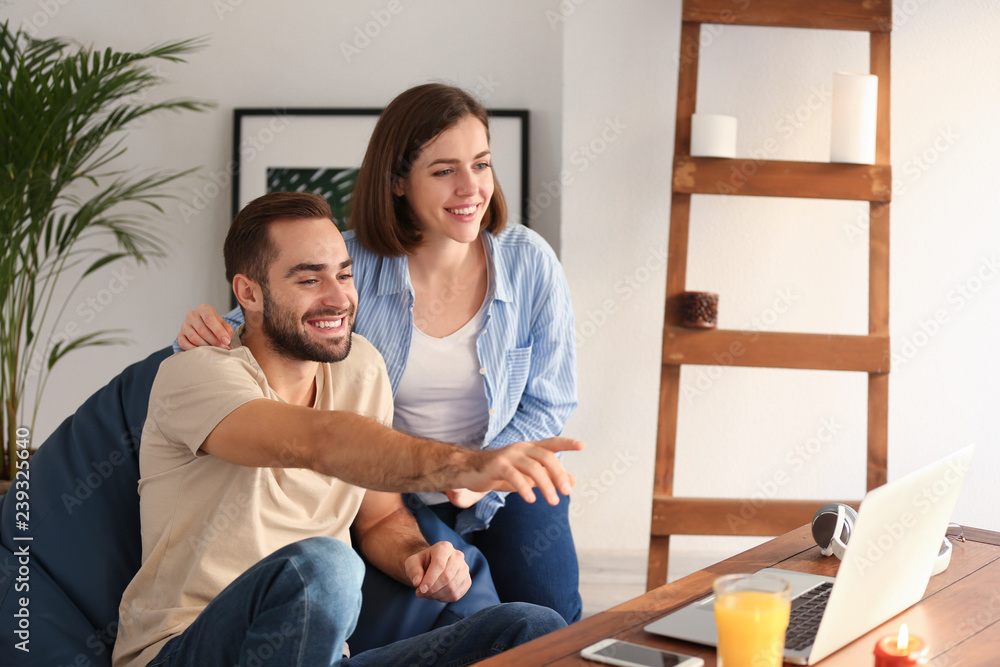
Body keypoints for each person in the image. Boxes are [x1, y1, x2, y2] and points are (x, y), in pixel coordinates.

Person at [178, 83, 584, 638]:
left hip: (502, 482)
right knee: (444, 620)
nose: (471, 188)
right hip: (390, 487)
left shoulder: (529, 261)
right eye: (444, 171)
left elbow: (550, 398)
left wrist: (482, 472)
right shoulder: (351, 263)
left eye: (482, 164)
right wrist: (202, 333)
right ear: (397, 182)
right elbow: (261, 320)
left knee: (556, 621)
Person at [112, 191, 581, 667]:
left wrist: (417, 556)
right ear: (249, 293)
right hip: (186, 650)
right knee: (326, 566)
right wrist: (467, 465)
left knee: (533, 628)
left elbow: (378, 519)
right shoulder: (195, 375)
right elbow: (320, 442)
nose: (338, 298)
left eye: (344, 274)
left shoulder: (362, 366)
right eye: (310, 279)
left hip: (322, 658)